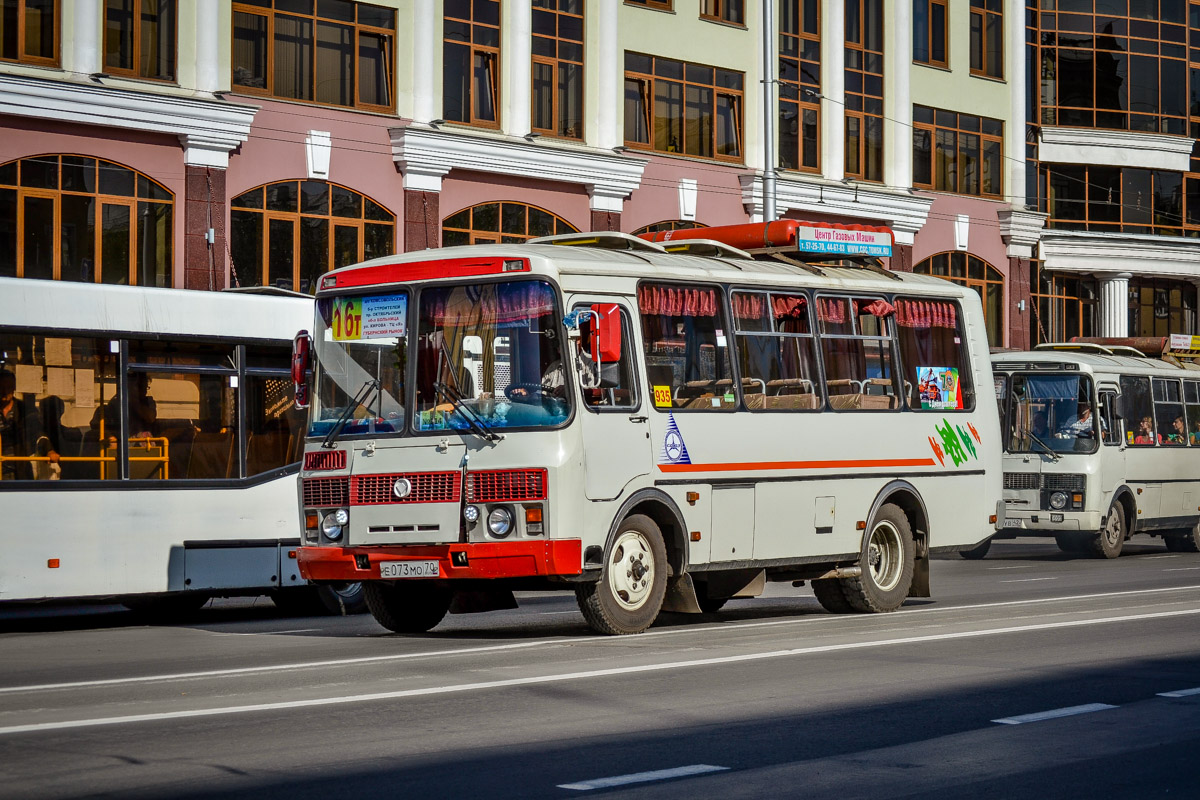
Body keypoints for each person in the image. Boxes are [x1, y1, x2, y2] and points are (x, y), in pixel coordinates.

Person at [0, 369, 60, 481]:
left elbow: (37, 432)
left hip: (18, 470)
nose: (4, 391)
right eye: (1, 387)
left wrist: (49, 450)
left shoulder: (25, 410)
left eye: (8, 387)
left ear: (14, 388)